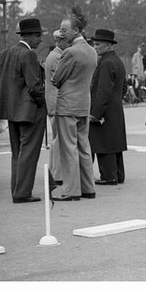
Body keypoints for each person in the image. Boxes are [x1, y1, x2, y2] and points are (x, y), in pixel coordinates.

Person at [0, 17, 47, 203]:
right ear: (28, 36)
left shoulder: (5, 53)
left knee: (17, 152)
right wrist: (42, 102)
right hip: (29, 111)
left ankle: (17, 190)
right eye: (38, 36)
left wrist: (5, 103)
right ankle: (22, 193)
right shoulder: (28, 55)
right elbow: (34, 85)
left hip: (10, 111)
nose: (40, 40)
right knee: (29, 152)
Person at [50, 15, 98, 201]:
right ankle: (88, 188)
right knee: (83, 147)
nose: (62, 33)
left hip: (67, 106)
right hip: (83, 104)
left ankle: (71, 190)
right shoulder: (92, 51)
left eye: (64, 29)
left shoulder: (70, 52)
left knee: (68, 148)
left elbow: (57, 78)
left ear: (76, 30)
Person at [89, 29, 128, 185]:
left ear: (107, 45)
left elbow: (102, 90)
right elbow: (123, 87)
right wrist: (116, 100)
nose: (95, 47)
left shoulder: (106, 63)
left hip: (105, 110)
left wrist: (96, 113)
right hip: (115, 108)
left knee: (103, 143)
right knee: (114, 143)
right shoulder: (117, 61)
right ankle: (118, 174)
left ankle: (109, 176)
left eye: (98, 44)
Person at [44, 29, 70, 187]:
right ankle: (57, 174)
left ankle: (55, 172)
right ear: (60, 42)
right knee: (59, 140)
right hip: (58, 103)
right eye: (67, 41)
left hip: (54, 102)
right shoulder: (58, 57)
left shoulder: (53, 55)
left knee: (57, 140)